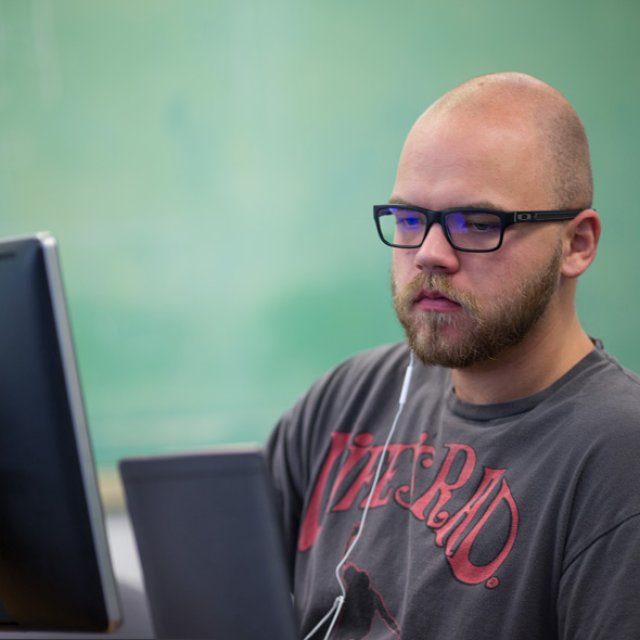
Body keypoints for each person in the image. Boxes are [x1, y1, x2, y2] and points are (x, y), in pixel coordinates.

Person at [266, 72, 640, 639]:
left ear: (577, 244)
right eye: (411, 220)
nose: (430, 255)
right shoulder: (347, 398)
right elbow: (215, 585)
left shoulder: (618, 455)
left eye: (476, 223)